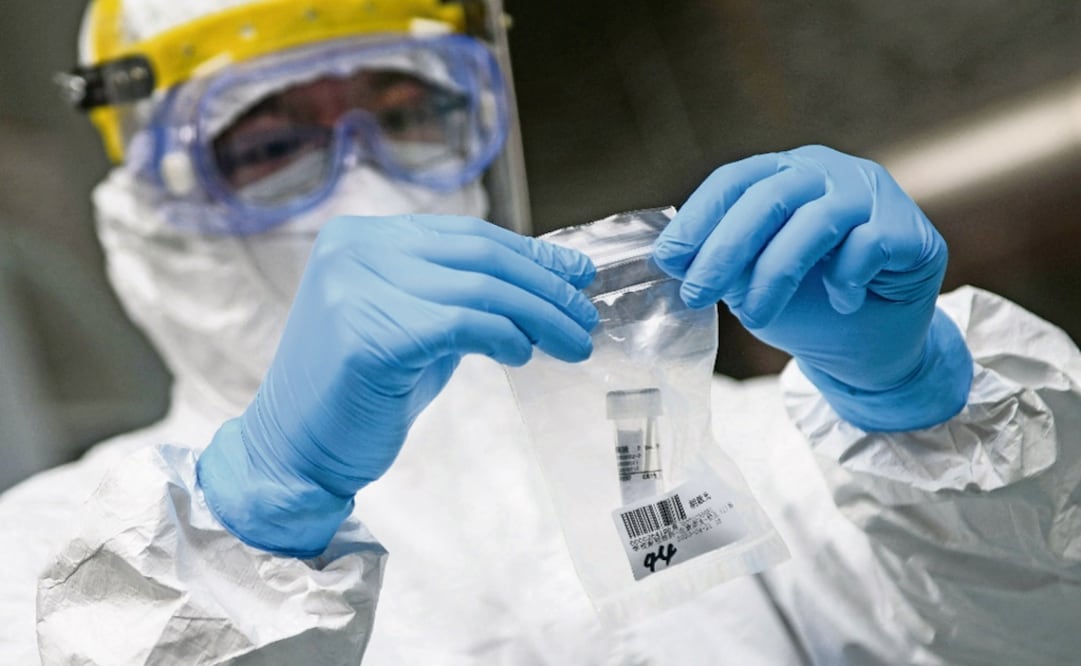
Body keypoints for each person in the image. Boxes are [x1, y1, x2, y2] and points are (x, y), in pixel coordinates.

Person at [1, 0, 1079, 663]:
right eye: (267, 143)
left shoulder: (742, 456)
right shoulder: (59, 561)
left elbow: (1041, 641)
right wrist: (254, 519)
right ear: (155, 210)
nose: (364, 178)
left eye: (411, 110)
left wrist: (922, 413)